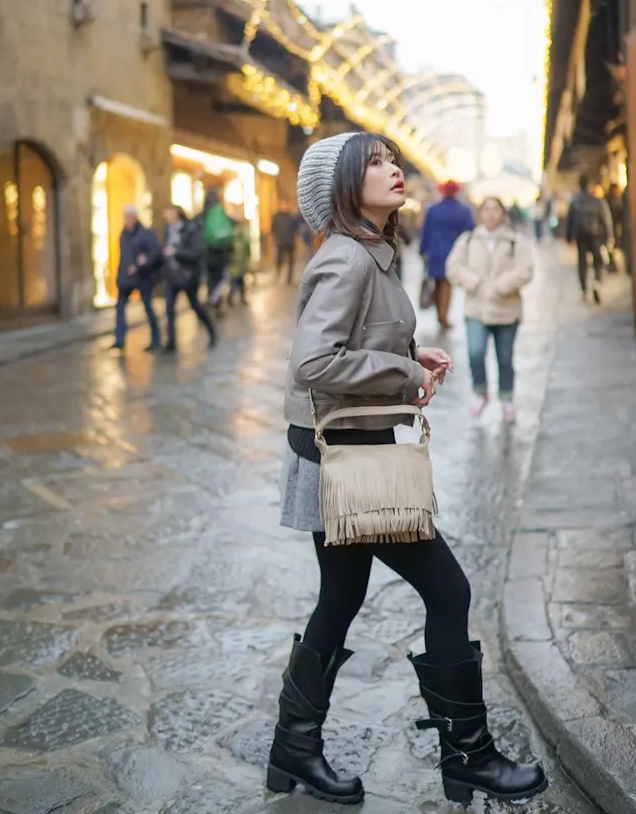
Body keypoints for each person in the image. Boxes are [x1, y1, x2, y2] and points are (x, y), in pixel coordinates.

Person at [267, 131, 547, 808]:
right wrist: (402, 373)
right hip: (348, 462)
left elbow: (357, 340)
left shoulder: (371, 251)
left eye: (392, 159)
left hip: (350, 454)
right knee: (448, 592)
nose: (393, 169)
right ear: (344, 186)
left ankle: (293, 749)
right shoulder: (348, 258)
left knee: (340, 599)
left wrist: (411, 355)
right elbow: (314, 362)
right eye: (375, 162)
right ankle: (471, 757)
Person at [446, 197, 534, 423]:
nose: (491, 214)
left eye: (496, 209)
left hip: (507, 311)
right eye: (487, 209)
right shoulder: (468, 240)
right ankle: (481, 392)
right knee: (475, 353)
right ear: (480, 214)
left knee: (505, 358)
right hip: (476, 309)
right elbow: (453, 268)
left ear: (503, 214)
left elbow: (526, 270)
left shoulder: (514, 242)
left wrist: (503, 285)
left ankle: (506, 398)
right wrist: (473, 281)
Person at [419, 182, 476, 329]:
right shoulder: (463, 210)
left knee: (438, 283)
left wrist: (422, 250)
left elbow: (426, 231)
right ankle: (443, 315)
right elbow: (470, 231)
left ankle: (440, 314)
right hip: (453, 251)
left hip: (434, 251)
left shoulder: (433, 209)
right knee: (446, 284)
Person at [162, 205, 216, 352]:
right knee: (169, 308)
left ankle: (211, 331)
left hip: (188, 276)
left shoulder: (190, 229)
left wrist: (176, 252)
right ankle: (171, 342)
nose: (166, 216)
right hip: (172, 276)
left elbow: (196, 252)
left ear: (177, 214)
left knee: (195, 305)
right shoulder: (168, 231)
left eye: (170, 213)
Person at [111, 204, 162, 352]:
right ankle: (120, 339)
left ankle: (156, 339)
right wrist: (120, 276)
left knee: (147, 306)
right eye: (125, 217)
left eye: (129, 217)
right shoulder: (123, 235)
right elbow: (123, 257)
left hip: (142, 276)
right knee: (120, 307)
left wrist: (143, 262)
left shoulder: (145, 234)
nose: (127, 220)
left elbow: (155, 252)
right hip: (126, 278)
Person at [566, 175, 613, 304]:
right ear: (590, 185)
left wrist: (569, 238)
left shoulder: (575, 202)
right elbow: (606, 219)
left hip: (581, 237)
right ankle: (597, 282)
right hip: (596, 236)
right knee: (599, 261)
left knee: (582, 263)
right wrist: (609, 236)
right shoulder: (597, 201)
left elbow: (570, 221)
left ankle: (584, 290)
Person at [202, 187, 234, 312]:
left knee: (211, 279)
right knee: (220, 278)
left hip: (208, 253)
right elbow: (229, 227)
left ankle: (212, 299)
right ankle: (217, 303)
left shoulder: (204, 213)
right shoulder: (220, 210)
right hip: (221, 253)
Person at [272, 200, 300, 284]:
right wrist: (276, 238)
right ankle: (277, 275)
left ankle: (289, 279)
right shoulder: (276, 217)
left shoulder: (291, 217)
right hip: (280, 242)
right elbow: (273, 228)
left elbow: (296, 228)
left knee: (291, 262)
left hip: (289, 242)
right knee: (279, 260)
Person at [228, 218, 251, 305]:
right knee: (241, 282)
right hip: (242, 265)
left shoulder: (230, 238)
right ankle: (242, 298)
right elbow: (248, 251)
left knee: (233, 283)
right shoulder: (243, 238)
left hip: (233, 264)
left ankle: (230, 298)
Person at [606, 182, 625, 273]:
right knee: (611, 246)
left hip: (611, 226)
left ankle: (612, 264)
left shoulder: (607, 199)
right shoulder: (613, 200)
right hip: (612, 226)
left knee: (611, 246)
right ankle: (612, 264)